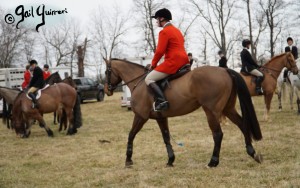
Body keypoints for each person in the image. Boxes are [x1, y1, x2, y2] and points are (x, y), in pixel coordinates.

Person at [145, 8, 189, 111]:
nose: (156, 21)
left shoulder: (164, 32)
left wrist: (153, 65)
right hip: (184, 61)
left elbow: (160, 51)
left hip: (173, 62)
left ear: (162, 18)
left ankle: (162, 101)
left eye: (157, 19)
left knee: (148, 79)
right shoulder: (177, 31)